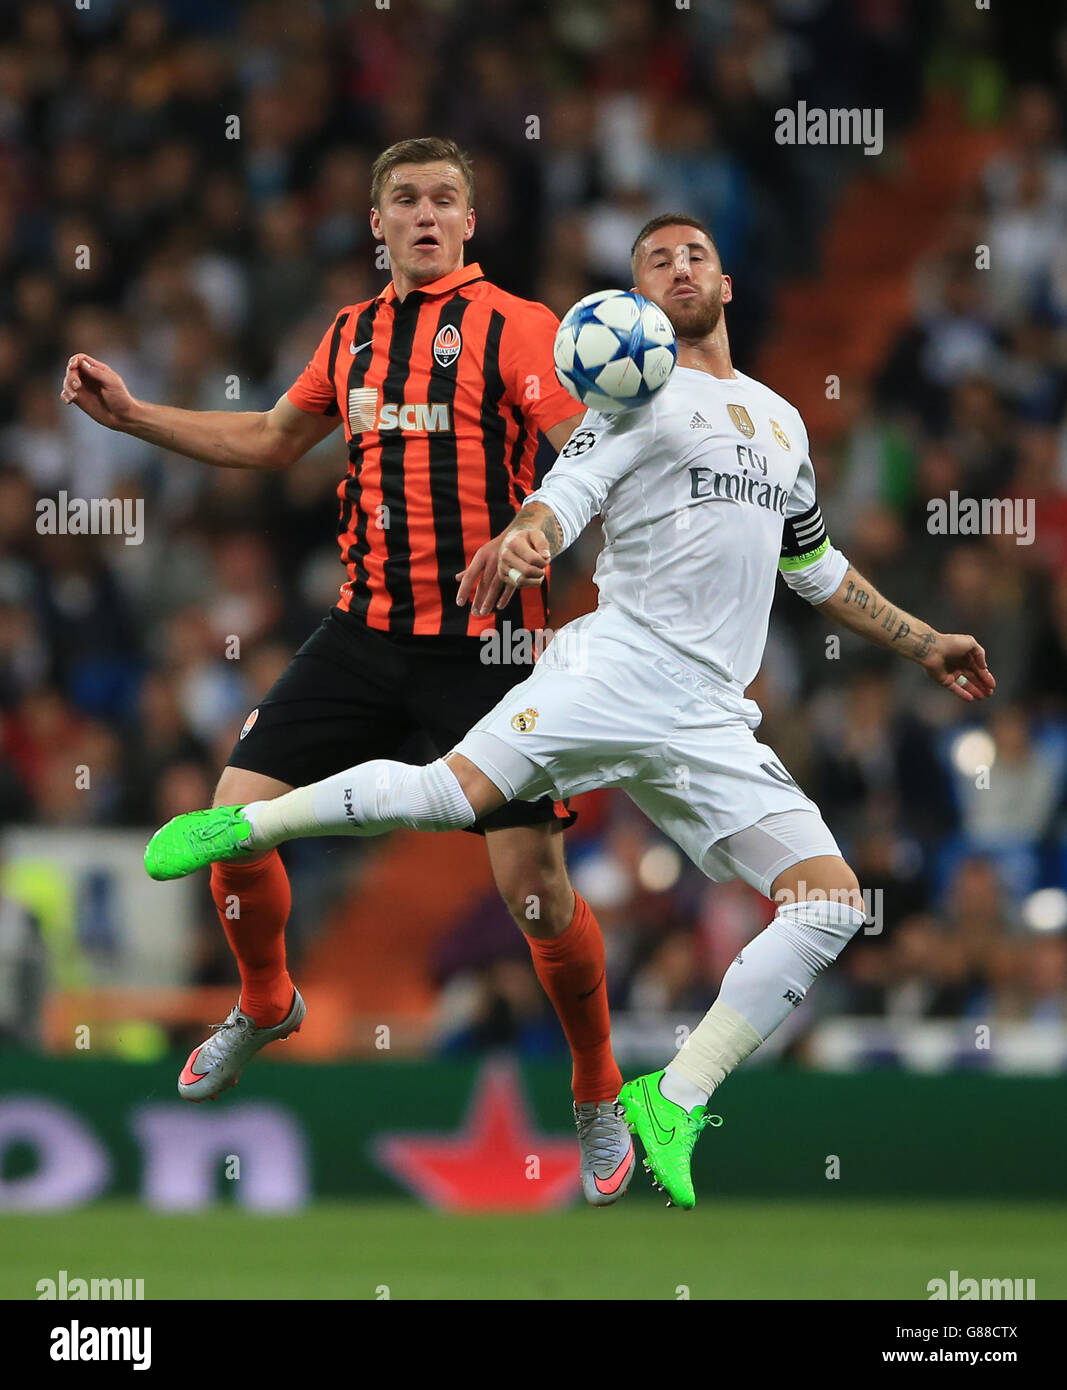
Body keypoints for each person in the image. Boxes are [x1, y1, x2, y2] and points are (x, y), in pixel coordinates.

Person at [144, 213, 996, 1209]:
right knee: (445, 796)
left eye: (694, 255)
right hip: (616, 665)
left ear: (724, 284)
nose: (678, 267)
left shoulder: (782, 422)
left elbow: (812, 566)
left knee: (828, 903)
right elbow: (566, 489)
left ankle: (670, 1100)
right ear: (635, 298)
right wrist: (527, 538)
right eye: (654, 261)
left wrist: (920, 636)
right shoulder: (631, 398)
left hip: (710, 714)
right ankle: (246, 823)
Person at [61, 137, 636, 1207]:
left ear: (470, 221)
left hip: (487, 646)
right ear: (375, 224)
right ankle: (268, 998)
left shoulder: (521, 328)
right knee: (227, 824)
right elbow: (275, 440)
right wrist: (135, 416)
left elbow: (589, 454)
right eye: (405, 200)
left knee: (537, 895)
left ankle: (598, 1083)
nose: (425, 215)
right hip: (362, 634)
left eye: (444, 200)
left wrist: (528, 532)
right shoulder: (352, 334)